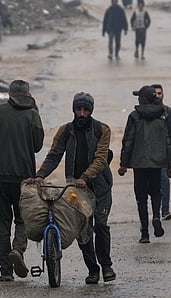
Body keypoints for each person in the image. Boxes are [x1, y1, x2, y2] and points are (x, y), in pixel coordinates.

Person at [36, 92, 116, 284]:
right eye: (78, 109)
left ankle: (106, 266)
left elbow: (101, 158)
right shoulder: (65, 131)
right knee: (83, 229)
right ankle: (92, 270)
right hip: (76, 189)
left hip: (100, 186)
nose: (81, 114)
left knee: (101, 225)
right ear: (73, 110)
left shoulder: (102, 130)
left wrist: (86, 177)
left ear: (91, 111)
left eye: (85, 110)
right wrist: (40, 175)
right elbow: (54, 155)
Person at [0, 79, 45, 281]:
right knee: (23, 218)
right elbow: (37, 146)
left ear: (9, 94)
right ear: (28, 95)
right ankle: (17, 249)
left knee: (0, 223)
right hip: (24, 178)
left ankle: (6, 270)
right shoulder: (33, 114)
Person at [119, 86, 171, 243]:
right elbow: (168, 141)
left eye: (139, 97)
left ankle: (144, 233)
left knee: (141, 198)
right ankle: (156, 216)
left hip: (139, 163)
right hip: (158, 163)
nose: (137, 99)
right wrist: (170, 165)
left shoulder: (134, 116)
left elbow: (128, 141)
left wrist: (123, 164)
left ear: (143, 99)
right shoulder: (163, 115)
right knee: (156, 193)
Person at [152, 84, 171, 221]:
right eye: (155, 93)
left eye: (160, 93)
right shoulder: (144, 113)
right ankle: (155, 213)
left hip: (165, 153)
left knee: (164, 181)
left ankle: (165, 210)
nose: (158, 96)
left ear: (163, 94)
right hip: (149, 154)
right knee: (151, 184)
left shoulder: (168, 112)